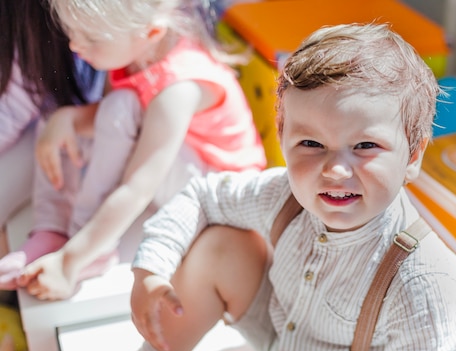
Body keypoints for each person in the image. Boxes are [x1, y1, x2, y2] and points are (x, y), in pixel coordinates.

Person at [64, 23, 456, 351]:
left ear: (412, 156)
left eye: (365, 146)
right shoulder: (283, 194)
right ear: (283, 138)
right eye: (311, 143)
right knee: (221, 243)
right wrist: (151, 267)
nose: (336, 170)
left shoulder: (424, 281)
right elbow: (201, 196)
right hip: (281, 329)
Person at [0, 0, 266, 299]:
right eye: (71, 32)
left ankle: (85, 246)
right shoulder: (139, 46)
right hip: (177, 162)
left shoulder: (177, 90)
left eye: (91, 38)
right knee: (60, 119)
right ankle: (51, 228)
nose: (75, 45)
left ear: (150, 31)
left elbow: (137, 186)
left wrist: (70, 262)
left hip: (220, 195)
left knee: (116, 109)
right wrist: (68, 119)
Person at [0, 0, 104, 300]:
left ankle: (58, 231)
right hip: (45, 117)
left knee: (59, 120)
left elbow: (136, 104)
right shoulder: (26, 21)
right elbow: (16, 102)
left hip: (94, 128)